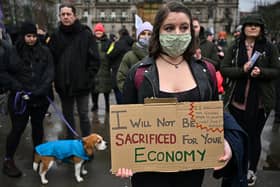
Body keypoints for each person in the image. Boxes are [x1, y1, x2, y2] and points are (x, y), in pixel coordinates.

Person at [116, 2, 247, 187]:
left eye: (184, 27)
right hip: (149, 174)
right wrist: (125, 157)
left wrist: (225, 142)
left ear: (191, 31)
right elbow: (127, 125)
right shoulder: (138, 73)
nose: (177, 33)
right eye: (169, 28)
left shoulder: (205, 71)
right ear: (158, 32)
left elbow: (214, 118)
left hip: (192, 172)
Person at [220, 14, 280, 186]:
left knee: (254, 137)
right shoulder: (236, 46)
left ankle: (251, 170)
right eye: (249, 25)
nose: (253, 27)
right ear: (244, 28)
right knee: (238, 136)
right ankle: (238, 166)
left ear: (261, 29)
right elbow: (224, 68)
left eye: (256, 25)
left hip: (260, 103)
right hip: (237, 101)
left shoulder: (269, 47)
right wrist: (242, 70)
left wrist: (261, 72)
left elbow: (276, 70)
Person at [0, 21, 54, 177]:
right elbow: (3, 73)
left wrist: (40, 90)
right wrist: (17, 87)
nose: (31, 39)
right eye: (28, 36)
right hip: (19, 99)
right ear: (23, 36)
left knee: (38, 128)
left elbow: (50, 73)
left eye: (34, 36)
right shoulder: (11, 52)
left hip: (40, 99)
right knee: (17, 129)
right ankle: (8, 160)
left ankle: (38, 156)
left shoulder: (45, 51)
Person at [48, 3, 100, 139]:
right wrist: (55, 79)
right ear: (59, 16)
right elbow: (50, 61)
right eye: (63, 14)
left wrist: (87, 78)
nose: (66, 17)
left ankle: (87, 146)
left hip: (82, 85)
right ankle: (71, 147)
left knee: (83, 115)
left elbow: (95, 59)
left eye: (68, 14)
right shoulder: (55, 36)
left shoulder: (86, 34)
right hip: (63, 85)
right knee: (68, 117)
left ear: (75, 16)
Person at [117, 20, 153, 92]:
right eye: (143, 33)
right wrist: (129, 94)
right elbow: (121, 78)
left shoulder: (159, 55)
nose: (146, 37)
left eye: (149, 34)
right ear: (138, 36)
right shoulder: (129, 56)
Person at [107, 27, 133, 104]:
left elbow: (110, 55)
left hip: (118, 72)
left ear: (120, 34)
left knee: (120, 98)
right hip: (130, 74)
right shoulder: (132, 43)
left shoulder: (118, 44)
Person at [91, 23, 112, 113]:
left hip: (105, 69)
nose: (98, 32)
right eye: (97, 31)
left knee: (106, 90)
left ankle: (107, 105)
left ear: (103, 32)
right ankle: (95, 104)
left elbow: (111, 54)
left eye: (100, 31)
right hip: (94, 70)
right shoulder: (91, 42)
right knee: (94, 90)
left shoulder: (108, 42)